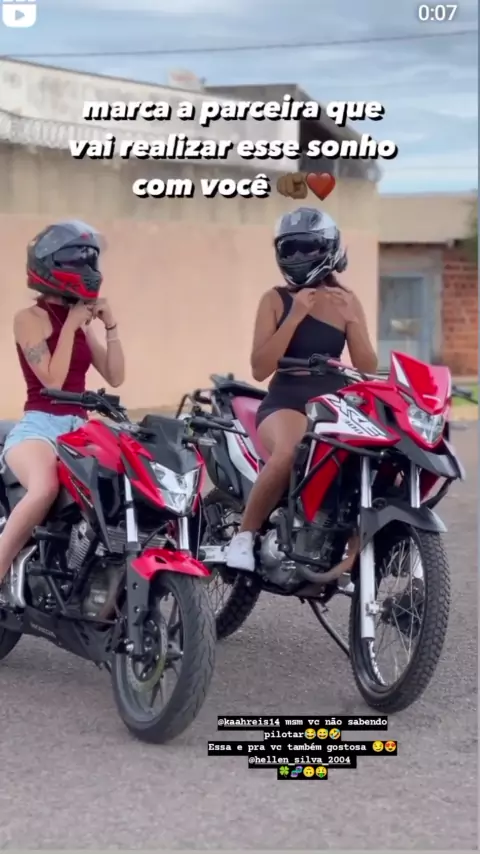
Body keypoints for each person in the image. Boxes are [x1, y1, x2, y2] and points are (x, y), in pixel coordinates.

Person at [226, 206, 378, 572]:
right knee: (289, 453)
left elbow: (367, 368)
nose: (296, 256)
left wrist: (353, 321)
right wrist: (294, 316)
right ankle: (243, 537)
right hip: (287, 399)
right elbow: (260, 368)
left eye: (306, 247)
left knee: (377, 461)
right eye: (289, 248)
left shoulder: (347, 301)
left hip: (334, 402)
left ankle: (356, 550)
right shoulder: (275, 299)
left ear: (327, 248)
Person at [0, 219, 125, 603]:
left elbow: (115, 376)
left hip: (79, 428)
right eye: (78, 260)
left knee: (122, 486)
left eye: (90, 260)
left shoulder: (81, 321)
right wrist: (70, 327)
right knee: (44, 488)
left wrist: (111, 326)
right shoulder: (29, 319)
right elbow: (52, 380)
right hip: (39, 427)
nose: (88, 269)